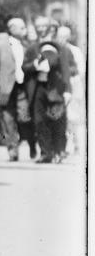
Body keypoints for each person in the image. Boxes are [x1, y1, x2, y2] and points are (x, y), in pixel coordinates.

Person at [0, 17, 35, 161]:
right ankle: (13, 151)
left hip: (23, 86)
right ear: (12, 29)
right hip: (6, 87)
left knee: (25, 117)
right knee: (8, 120)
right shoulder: (1, 45)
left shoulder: (27, 45)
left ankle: (32, 143)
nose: (24, 30)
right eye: (21, 27)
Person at [29, 17, 73, 164]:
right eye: (39, 27)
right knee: (40, 121)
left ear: (52, 29)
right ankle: (46, 153)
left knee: (58, 120)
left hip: (56, 88)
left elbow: (66, 70)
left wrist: (67, 90)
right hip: (38, 88)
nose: (42, 30)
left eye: (45, 27)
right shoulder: (33, 47)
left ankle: (59, 151)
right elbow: (24, 66)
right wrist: (34, 66)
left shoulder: (62, 48)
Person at [55, 25, 84, 158]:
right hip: (59, 88)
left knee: (73, 118)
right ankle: (66, 145)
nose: (61, 38)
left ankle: (77, 145)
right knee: (63, 118)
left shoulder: (75, 51)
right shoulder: (56, 50)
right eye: (59, 35)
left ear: (68, 37)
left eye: (64, 36)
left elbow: (80, 70)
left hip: (73, 86)